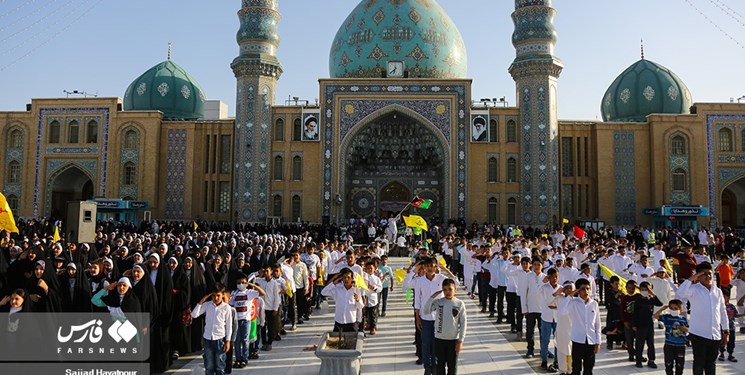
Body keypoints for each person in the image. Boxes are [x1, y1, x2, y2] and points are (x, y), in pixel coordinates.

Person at [676, 262, 729, 375]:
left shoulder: (717, 291)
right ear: (698, 276)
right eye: (704, 274)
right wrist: (692, 278)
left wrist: (726, 330)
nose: (708, 276)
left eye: (710, 274)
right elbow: (680, 292)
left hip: (715, 334)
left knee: (711, 364)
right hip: (699, 334)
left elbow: (722, 311)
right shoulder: (694, 289)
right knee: (699, 364)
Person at [414, 256, 459, 375]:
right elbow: (417, 301)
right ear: (424, 267)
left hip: (440, 317)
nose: (430, 268)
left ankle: (435, 366)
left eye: (432, 265)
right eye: (427, 266)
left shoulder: (442, 278)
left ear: (436, 266)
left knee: (436, 344)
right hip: (425, 317)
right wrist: (417, 317)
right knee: (425, 343)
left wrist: (445, 269)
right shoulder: (419, 281)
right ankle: (427, 367)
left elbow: (456, 283)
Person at [423, 278, 467, 375]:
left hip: (453, 340)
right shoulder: (438, 302)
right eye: (445, 290)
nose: (447, 292)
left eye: (450, 289)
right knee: (440, 367)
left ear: (455, 289)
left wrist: (461, 341)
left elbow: (463, 323)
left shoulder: (459, 304)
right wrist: (432, 297)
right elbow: (426, 311)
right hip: (439, 339)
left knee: (452, 367)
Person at [558, 278, 601, 375]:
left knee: (589, 368)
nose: (586, 291)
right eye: (582, 289)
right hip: (578, 340)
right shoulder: (573, 303)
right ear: (577, 290)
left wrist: (598, 342)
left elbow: (597, 324)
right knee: (576, 368)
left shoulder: (594, 304)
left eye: (587, 288)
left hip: (590, 341)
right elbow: (561, 311)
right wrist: (570, 296)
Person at [191, 284, 233, 375]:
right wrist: (202, 301)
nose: (216, 298)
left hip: (220, 339)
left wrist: (228, 341)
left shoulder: (227, 308)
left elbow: (229, 326)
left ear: (222, 295)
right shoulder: (207, 305)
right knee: (209, 365)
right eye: (213, 295)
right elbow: (194, 315)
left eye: (218, 295)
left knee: (220, 365)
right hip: (207, 339)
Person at [229, 274, 265, 369]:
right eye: (239, 283)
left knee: (245, 340)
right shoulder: (234, 293)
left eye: (243, 282)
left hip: (246, 320)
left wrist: (252, 285)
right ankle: (238, 358)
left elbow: (262, 293)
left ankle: (244, 358)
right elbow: (230, 305)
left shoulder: (250, 292)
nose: (241, 284)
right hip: (236, 320)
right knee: (237, 341)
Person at [321, 268, 364, 332]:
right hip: (339, 321)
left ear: (352, 278)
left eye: (348, 277)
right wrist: (334, 282)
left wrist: (357, 300)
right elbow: (323, 292)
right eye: (344, 277)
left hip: (351, 321)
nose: (346, 279)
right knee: (336, 340)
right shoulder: (337, 289)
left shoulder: (356, 291)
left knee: (352, 340)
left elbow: (360, 307)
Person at [654, 299, 689, 375]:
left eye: (676, 308)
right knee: (668, 364)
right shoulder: (666, 317)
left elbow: (689, 330)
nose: (673, 310)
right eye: (671, 308)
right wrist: (663, 308)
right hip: (669, 345)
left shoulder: (683, 319)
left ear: (681, 309)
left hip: (680, 346)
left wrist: (685, 329)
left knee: (680, 365)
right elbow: (655, 316)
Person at [633, 281, 662, 368]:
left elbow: (659, 303)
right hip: (640, 325)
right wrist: (634, 325)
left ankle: (651, 360)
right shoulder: (638, 300)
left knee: (651, 344)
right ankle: (638, 360)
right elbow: (635, 313)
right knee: (639, 344)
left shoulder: (651, 299)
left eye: (646, 289)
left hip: (649, 324)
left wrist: (652, 293)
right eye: (642, 289)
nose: (644, 291)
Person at [718, 288, 741, 362]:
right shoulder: (718, 307)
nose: (723, 298)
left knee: (731, 342)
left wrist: (743, 314)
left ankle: (730, 354)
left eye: (725, 296)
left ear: (728, 297)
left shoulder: (731, 306)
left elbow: (736, 315)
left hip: (731, 328)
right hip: (721, 328)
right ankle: (721, 354)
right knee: (722, 341)